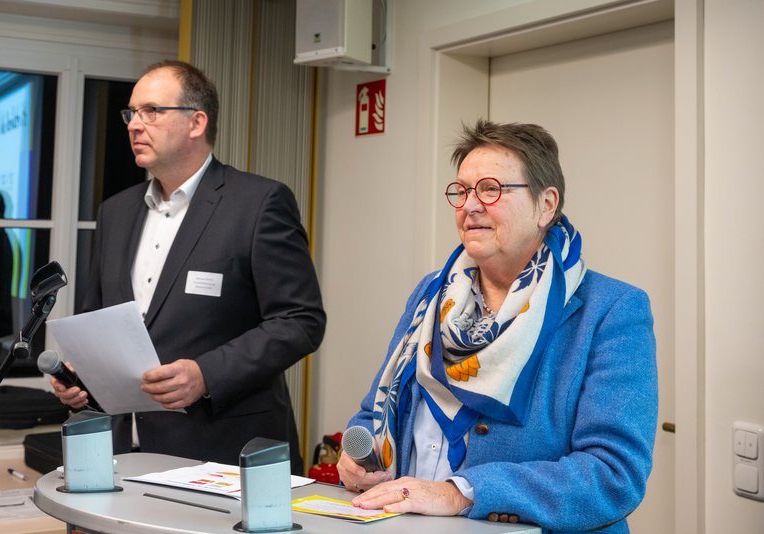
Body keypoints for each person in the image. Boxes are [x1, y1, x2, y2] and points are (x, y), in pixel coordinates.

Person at [337, 120, 657, 532]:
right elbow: (375, 413)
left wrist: (462, 492)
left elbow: (614, 475)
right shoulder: (431, 293)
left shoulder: (611, 310)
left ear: (546, 204)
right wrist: (364, 457)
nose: (469, 205)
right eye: (461, 191)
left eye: (490, 189)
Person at [50, 59, 325, 474]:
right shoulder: (115, 212)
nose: (133, 125)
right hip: (121, 451)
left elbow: (300, 321)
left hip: (223, 450)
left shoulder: (258, 203)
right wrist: (81, 376)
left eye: (151, 111)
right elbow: (98, 318)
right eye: (131, 113)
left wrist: (205, 374)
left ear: (197, 122)